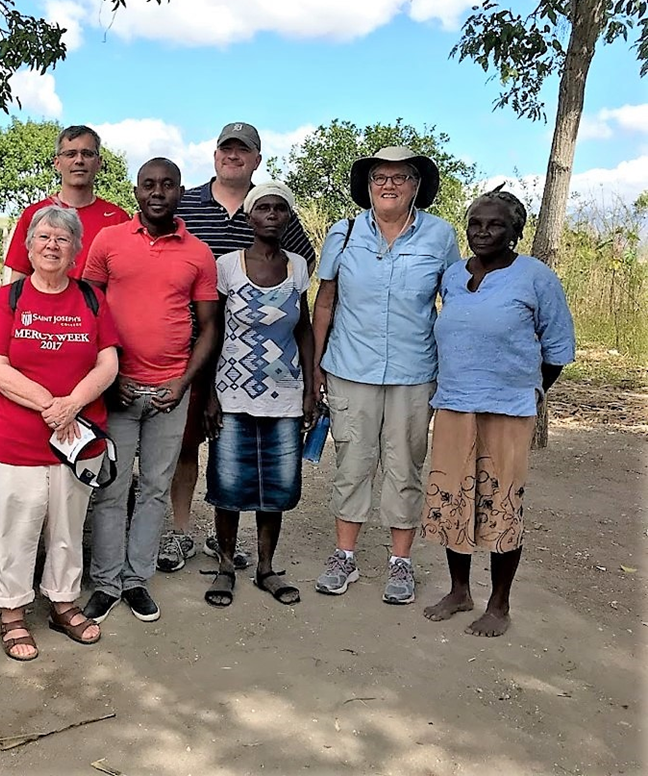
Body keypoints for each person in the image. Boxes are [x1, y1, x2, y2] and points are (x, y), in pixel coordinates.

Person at [162, 122, 315, 575]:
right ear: (214, 155)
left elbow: (298, 295)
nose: (234, 156)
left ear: (256, 159)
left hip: (251, 357)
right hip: (187, 346)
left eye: (243, 151)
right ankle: (181, 529)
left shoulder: (274, 205)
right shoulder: (186, 203)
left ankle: (221, 535)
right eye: (226, 149)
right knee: (186, 444)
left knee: (235, 451)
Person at [421, 187, 574, 637]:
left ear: (515, 232)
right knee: (453, 500)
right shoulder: (452, 275)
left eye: (495, 225)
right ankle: (459, 590)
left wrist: (528, 392)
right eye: (475, 224)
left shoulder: (535, 276)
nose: (483, 232)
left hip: (507, 411)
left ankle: (500, 603)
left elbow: (558, 346)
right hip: (453, 404)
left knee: (500, 504)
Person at [311, 146, 460, 605]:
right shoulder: (345, 231)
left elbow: (452, 305)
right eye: (380, 177)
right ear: (368, 185)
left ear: (417, 185)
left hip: (414, 372)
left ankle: (400, 563)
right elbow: (326, 301)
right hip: (349, 369)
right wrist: (315, 367)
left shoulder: (440, 236)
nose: (389, 185)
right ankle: (345, 557)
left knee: (405, 464)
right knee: (352, 462)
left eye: (400, 177)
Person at [0, 205, 120, 660]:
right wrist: (50, 405)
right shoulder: (8, 299)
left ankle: (62, 601)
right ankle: (12, 612)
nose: (52, 245)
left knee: (67, 525)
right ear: (28, 246)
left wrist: (73, 404)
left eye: (63, 239)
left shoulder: (91, 300)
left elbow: (109, 361)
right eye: (43, 237)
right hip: (14, 438)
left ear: (76, 250)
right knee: (14, 528)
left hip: (75, 439)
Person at [81, 158, 219, 623]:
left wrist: (183, 382)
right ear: (136, 191)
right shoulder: (109, 240)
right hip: (116, 390)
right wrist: (110, 374)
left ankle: (136, 579)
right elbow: (88, 309)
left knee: (157, 489)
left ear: (181, 191)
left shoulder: (198, 253)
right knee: (111, 487)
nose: (157, 192)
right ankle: (105, 581)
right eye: (148, 185)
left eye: (167, 185)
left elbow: (209, 327)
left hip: (169, 392)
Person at [202, 182, 315, 607]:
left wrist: (310, 387)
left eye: (279, 209)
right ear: (250, 217)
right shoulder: (227, 266)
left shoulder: (298, 267)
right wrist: (210, 392)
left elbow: (302, 327)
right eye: (263, 208)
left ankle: (266, 568)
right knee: (229, 482)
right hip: (232, 393)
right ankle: (226, 566)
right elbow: (212, 331)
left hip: (284, 394)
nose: (271, 215)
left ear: (288, 217)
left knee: (278, 484)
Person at [2, 124, 129, 282]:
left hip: (98, 306)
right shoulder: (34, 215)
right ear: (57, 163)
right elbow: (18, 278)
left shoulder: (118, 219)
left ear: (99, 162)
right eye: (70, 154)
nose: (79, 160)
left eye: (87, 154)